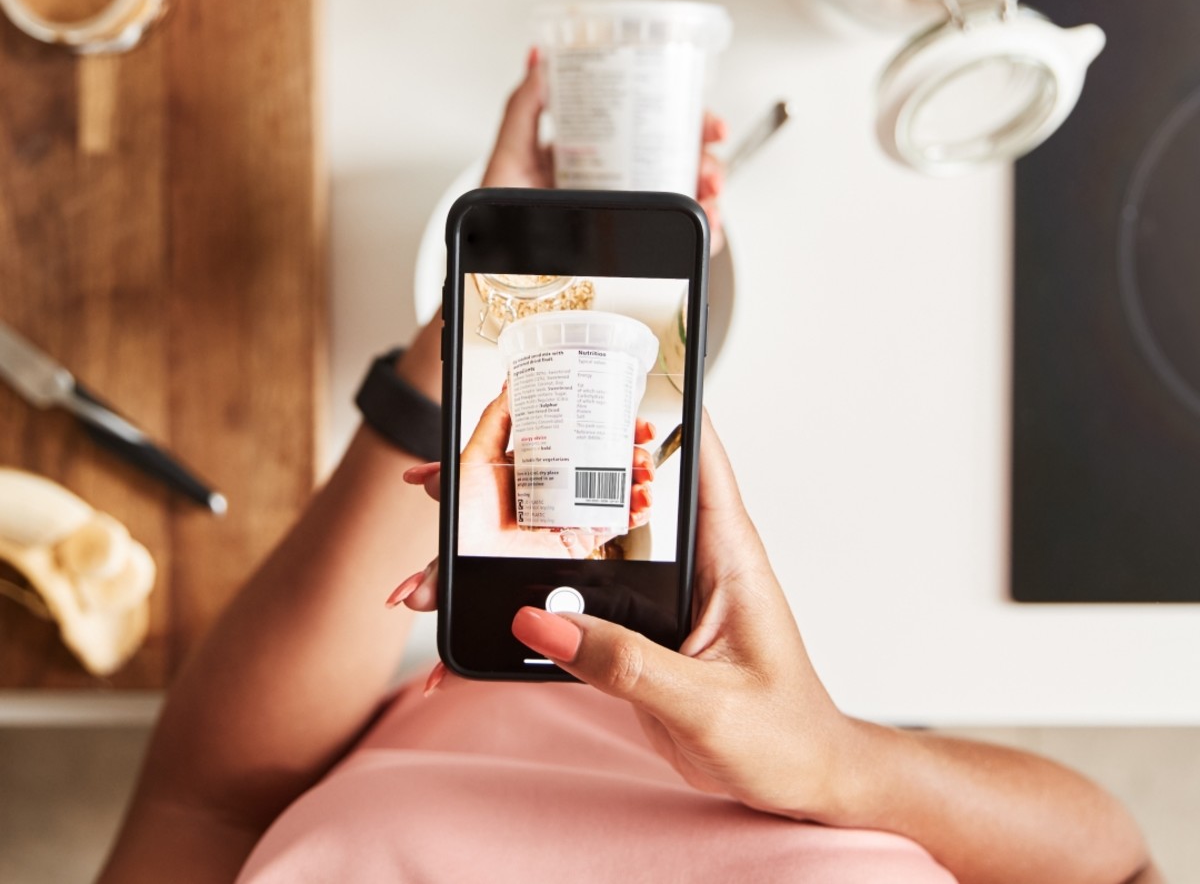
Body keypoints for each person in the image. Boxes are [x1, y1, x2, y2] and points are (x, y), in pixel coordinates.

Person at [98, 53, 1160, 884]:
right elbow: (1114, 862)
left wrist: (468, 334)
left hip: (482, 616)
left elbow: (209, 805)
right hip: (829, 715)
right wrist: (832, 761)